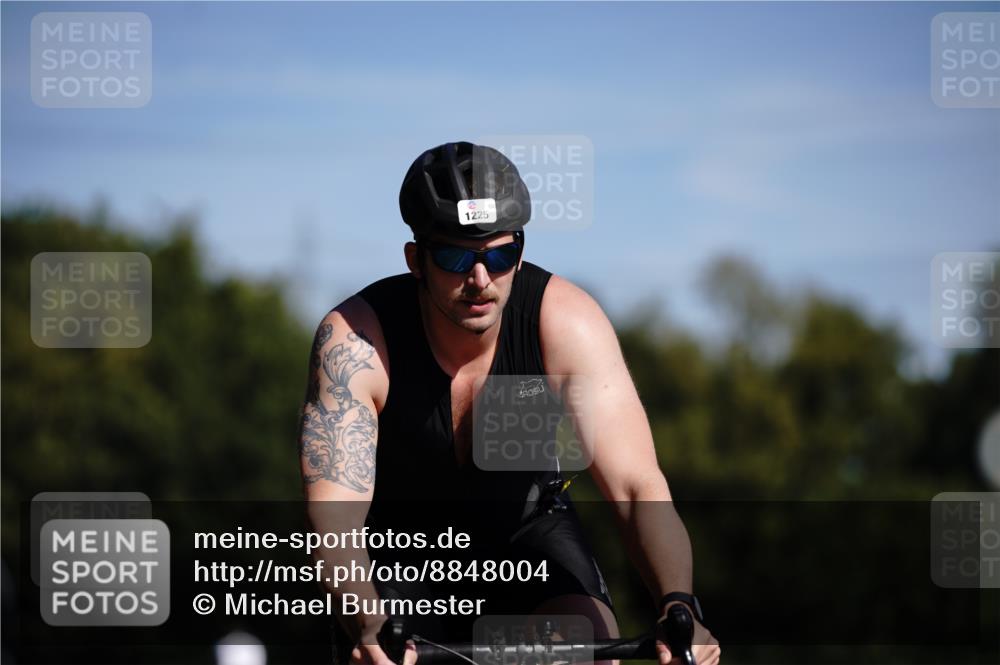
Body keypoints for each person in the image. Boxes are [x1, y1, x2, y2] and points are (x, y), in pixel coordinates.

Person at [298, 141, 720, 665]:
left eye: (499, 256)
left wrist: (679, 604)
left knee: (591, 647)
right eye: (455, 257)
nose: (480, 280)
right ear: (416, 260)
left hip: (526, 535)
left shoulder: (566, 324)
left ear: (519, 252)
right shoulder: (357, 342)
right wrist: (367, 622)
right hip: (400, 552)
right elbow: (334, 519)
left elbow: (636, 489)